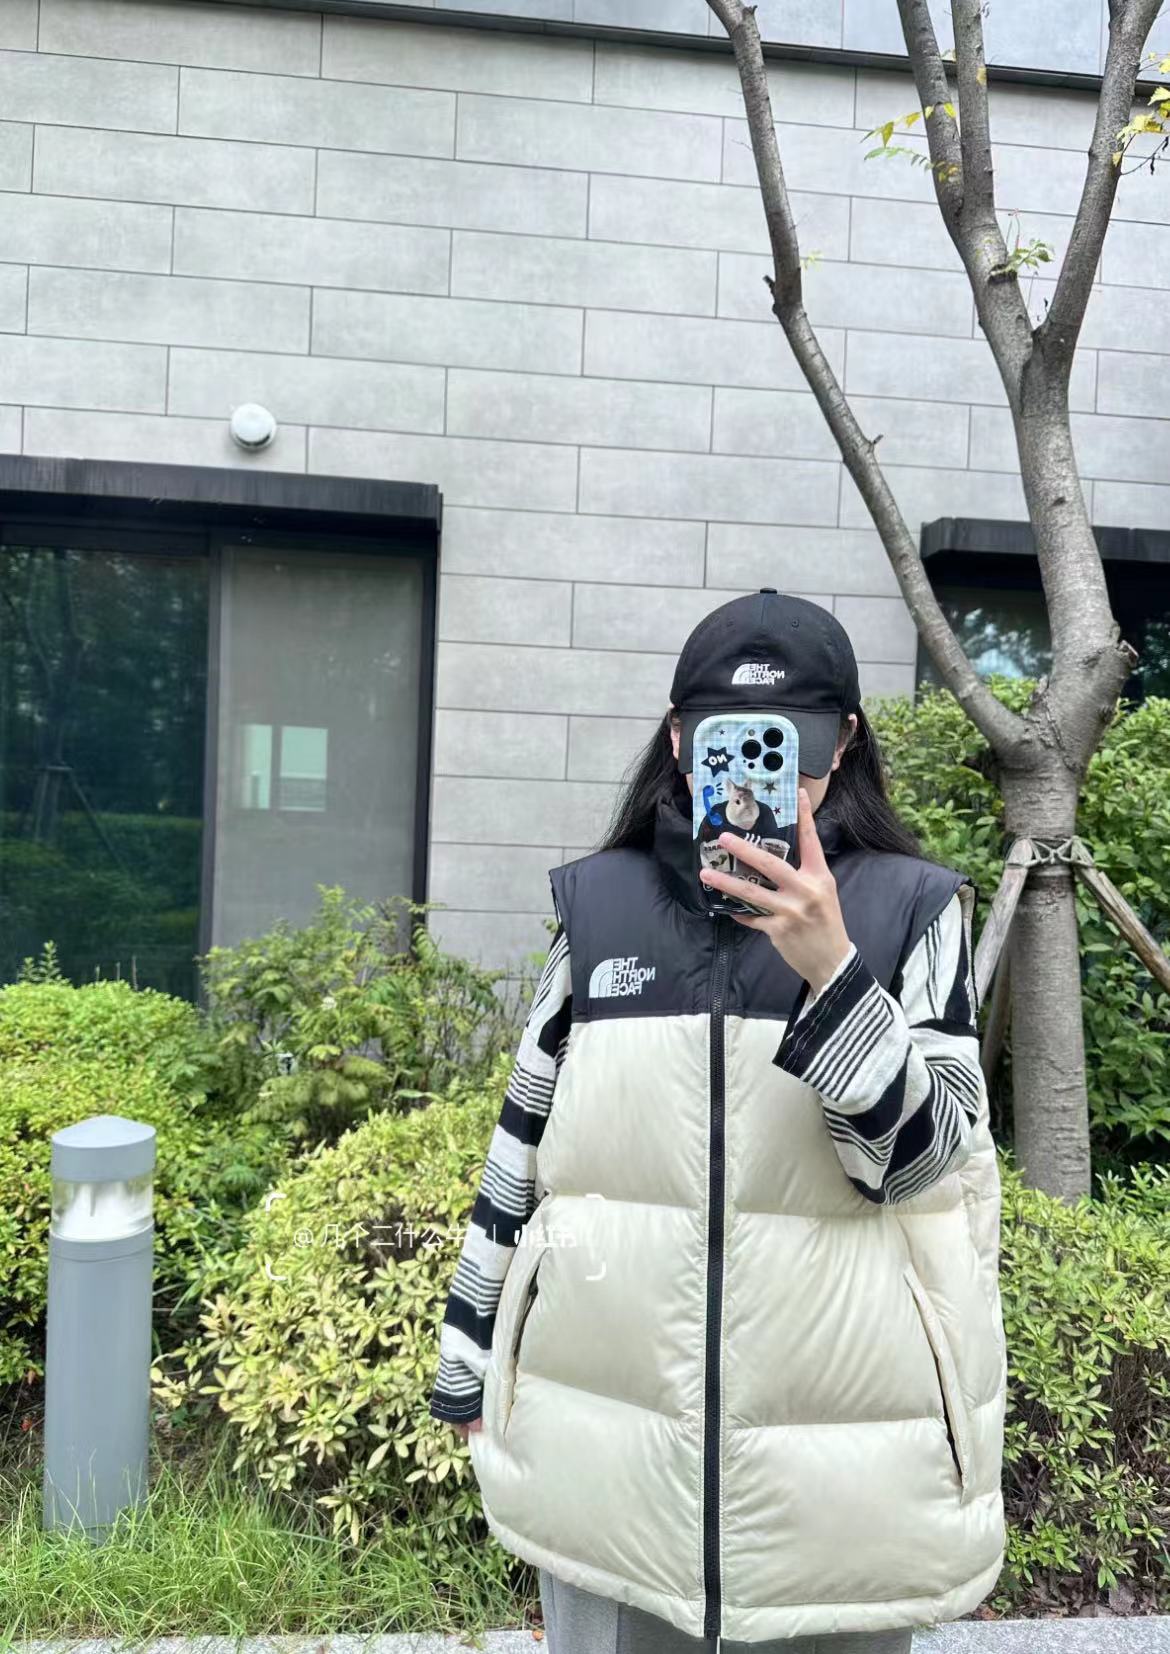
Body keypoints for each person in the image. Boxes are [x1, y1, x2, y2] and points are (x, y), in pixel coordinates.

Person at [429, 591, 1007, 1653]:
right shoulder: (600, 906)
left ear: (844, 741)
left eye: (788, 745)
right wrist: (469, 1349)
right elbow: (523, 1142)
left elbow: (920, 1169)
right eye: (724, 741)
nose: (751, 777)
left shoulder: (913, 909)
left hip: (844, 1482)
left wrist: (834, 972)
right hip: (608, 1450)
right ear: (677, 738)